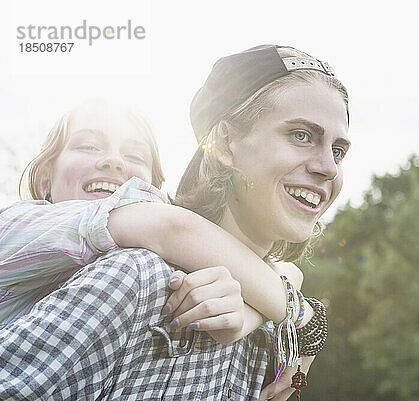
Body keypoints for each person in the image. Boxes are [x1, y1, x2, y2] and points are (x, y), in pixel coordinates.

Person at [0, 44, 349, 400]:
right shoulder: (137, 278)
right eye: (301, 136)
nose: (329, 168)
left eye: (338, 151)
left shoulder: (269, 322)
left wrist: (280, 310)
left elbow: (281, 272)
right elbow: (172, 227)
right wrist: (300, 315)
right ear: (227, 143)